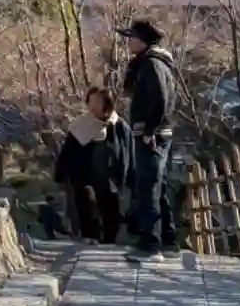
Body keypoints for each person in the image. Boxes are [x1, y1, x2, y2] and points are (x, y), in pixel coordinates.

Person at [119, 18, 178, 257]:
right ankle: (168, 238)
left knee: (148, 187)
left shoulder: (151, 64)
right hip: (156, 132)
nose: (129, 42)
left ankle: (151, 242)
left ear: (143, 41)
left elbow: (161, 100)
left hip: (152, 134)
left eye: (132, 38)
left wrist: (149, 131)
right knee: (158, 186)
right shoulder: (152, 63)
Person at [54, 85, 132, 243]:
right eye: (91, 101)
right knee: (87, 204)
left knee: (110, 210)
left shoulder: (118, 126)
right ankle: (91, 237)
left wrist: (131, 176)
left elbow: (128, 152)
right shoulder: (79, 126)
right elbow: (68, 153)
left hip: (110, 176)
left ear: (107, 104)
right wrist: (62, 174)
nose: (93, 106)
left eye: (98, 102)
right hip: (84, 176)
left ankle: (109, 242)